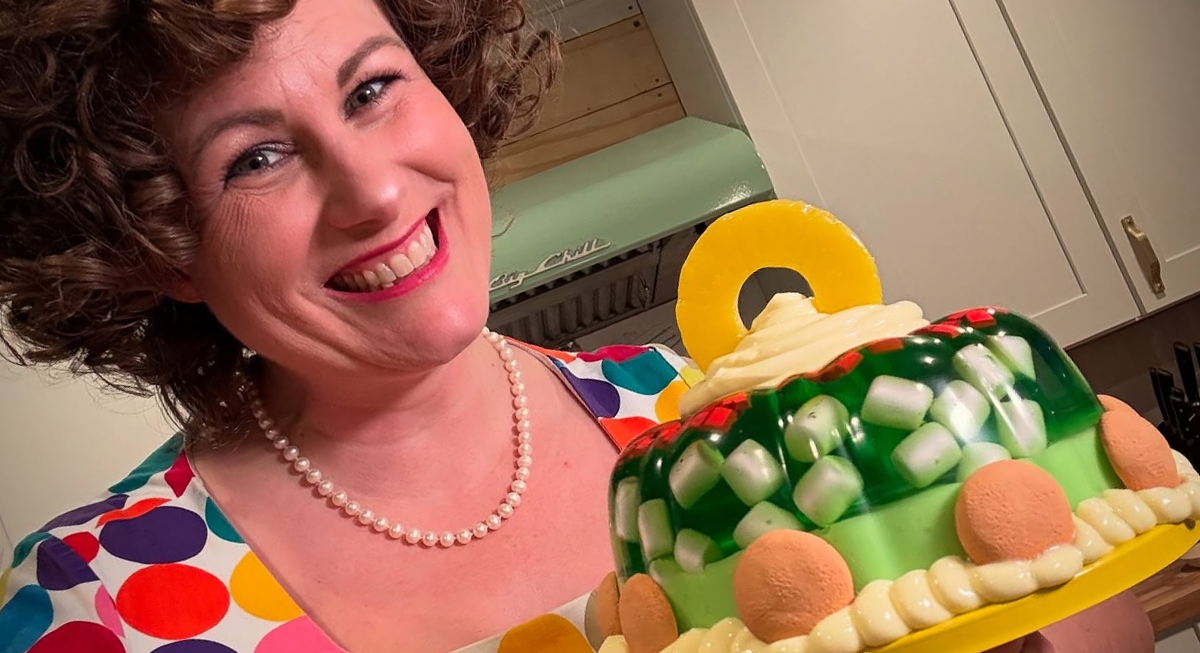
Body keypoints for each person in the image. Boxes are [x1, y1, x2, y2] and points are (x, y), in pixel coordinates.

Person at [0, 0, 1157, 651]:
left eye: (373, 89)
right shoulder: (91, 602)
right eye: (255, 156)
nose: (375, 192)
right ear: (157, 243)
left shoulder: (714, 420)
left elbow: (1084, 617)